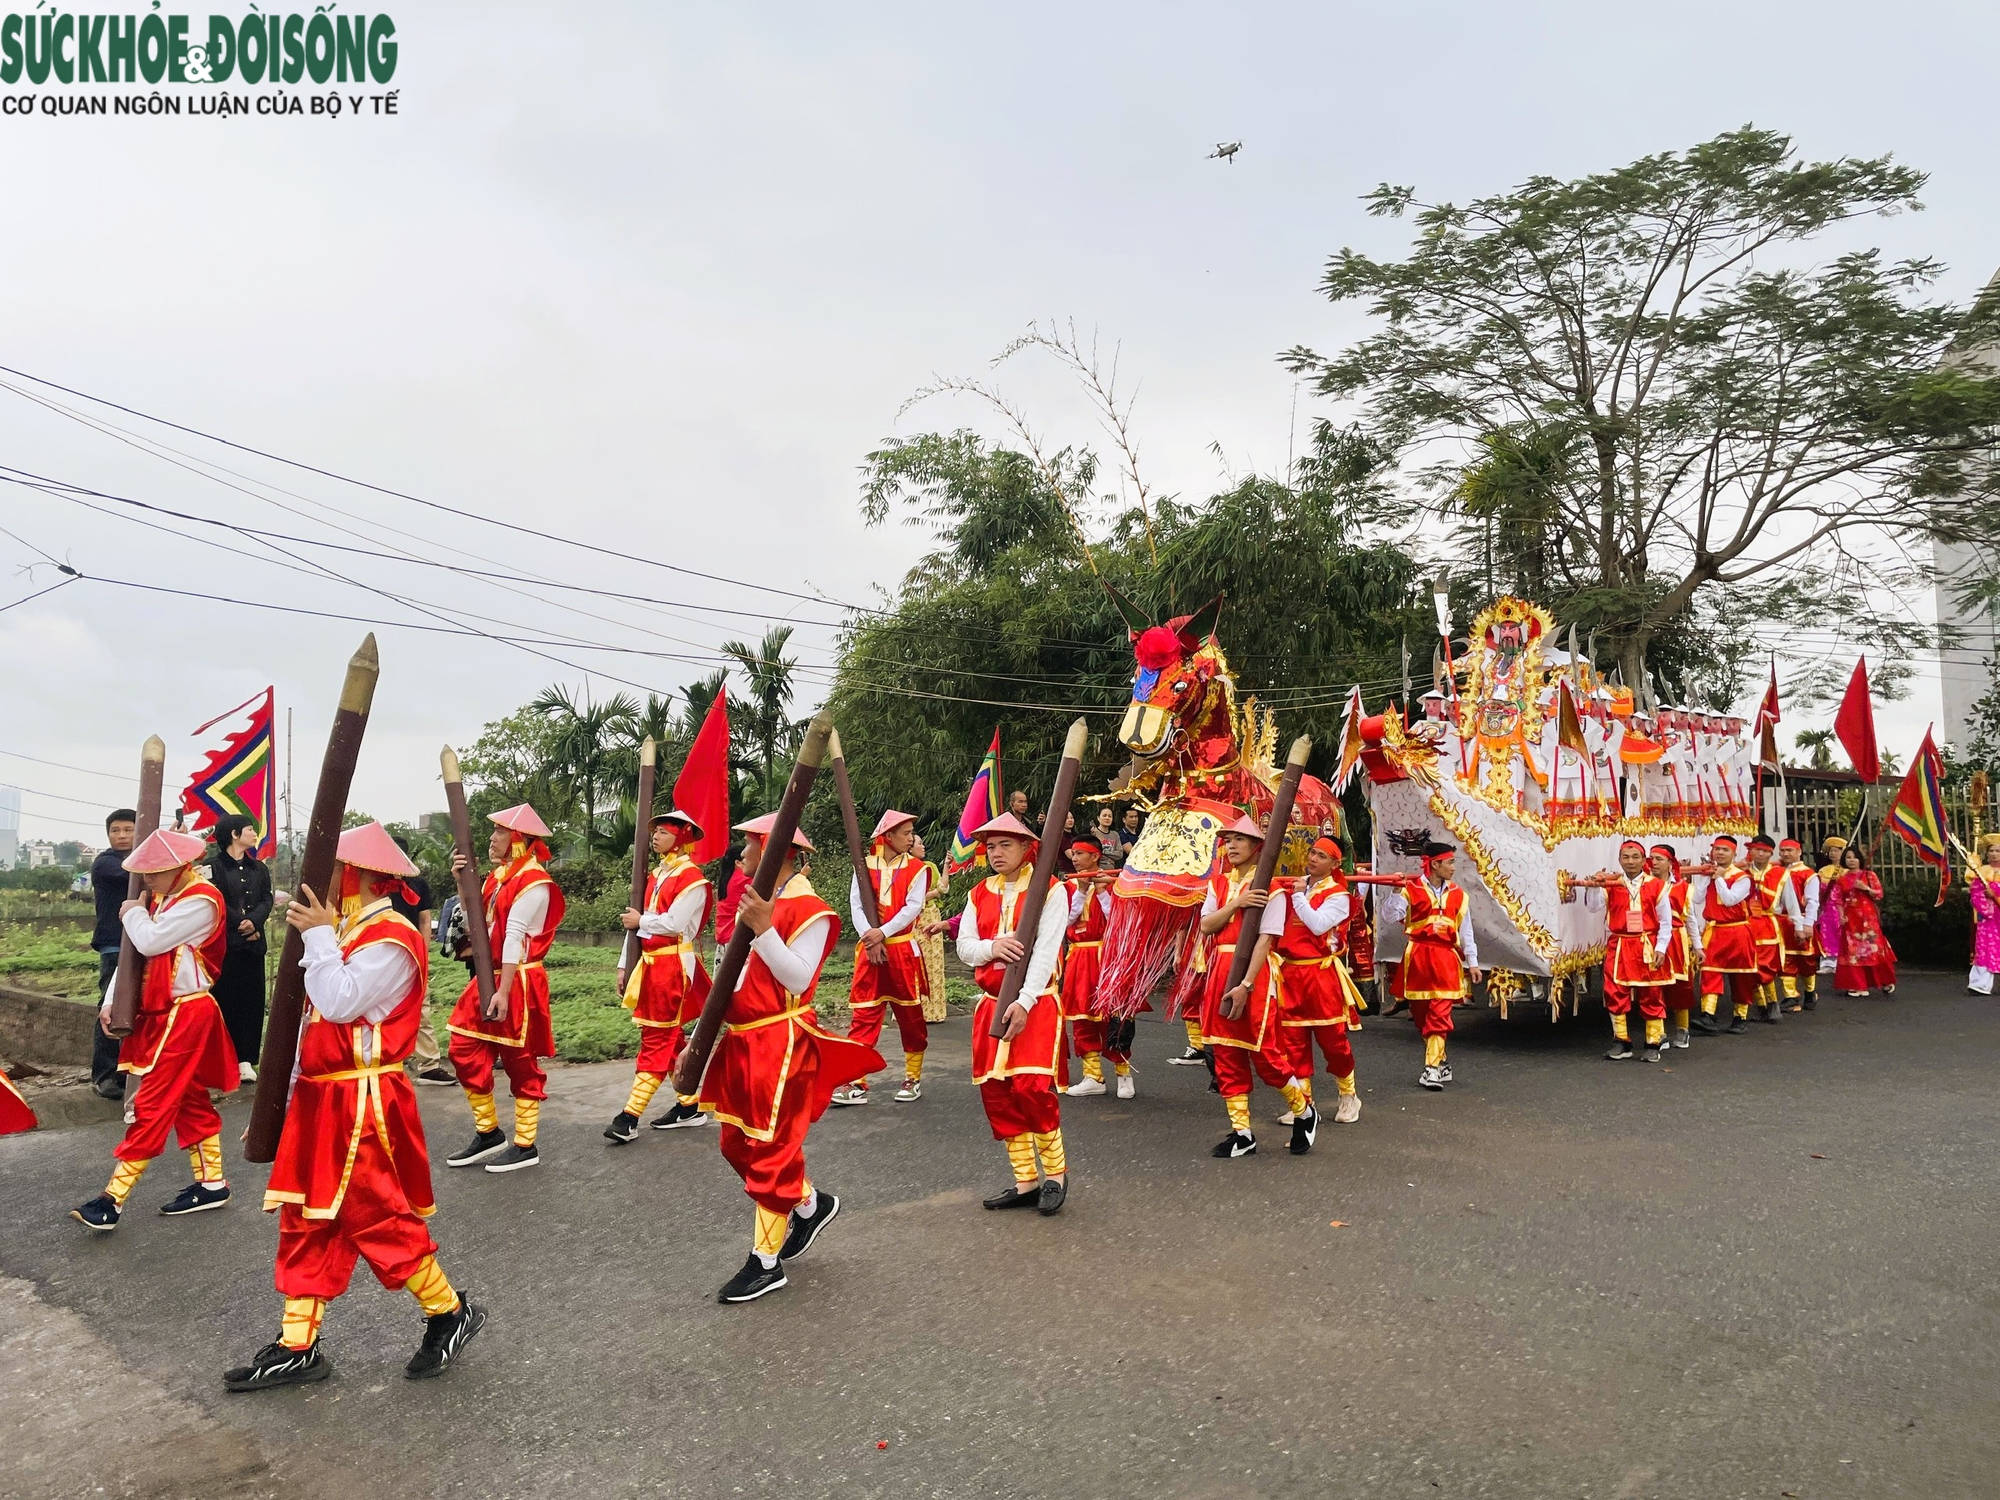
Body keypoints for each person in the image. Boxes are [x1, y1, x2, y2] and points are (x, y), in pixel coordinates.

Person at [224, 822, 484, 1391]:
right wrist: (279, 1103)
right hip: (322, 1096)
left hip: (364, 1096)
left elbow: (339, 1003)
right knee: (306, 1216)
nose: (322, 881)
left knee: (374, 1214)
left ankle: (447, 1312)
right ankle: (297, 1345)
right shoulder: (344, 930)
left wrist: (319, 937)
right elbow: (306, 1028)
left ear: (359, 875)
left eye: (334, 869)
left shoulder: (390, 937)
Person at [697, 813, 879, 1303]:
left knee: (770, 1153)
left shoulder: (811, 910)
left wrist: (763, 930)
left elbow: (798, 980)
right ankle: (810, 1204)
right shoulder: (757, 903)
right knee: (735, 1147)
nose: (741, 856)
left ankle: (765, 1262)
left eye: (749, 847)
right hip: (742, 1041)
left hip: (782, 1043)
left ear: (775, 853)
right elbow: (732, 979)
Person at [71, 829, 238, 1231]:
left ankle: (111, 1200)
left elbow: (147, 941)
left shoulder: (201, 899)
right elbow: (135, 958)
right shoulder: (162, 897)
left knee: (154, 1102)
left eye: (154, 872)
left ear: (179, 867)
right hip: (161, 1012)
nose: (146, 879)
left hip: (185, 1011)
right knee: (190, 1099)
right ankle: (212, 1183)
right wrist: (112, 1001)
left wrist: (132, 911)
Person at [956, 813, 1072, 1212]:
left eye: (1006, 844)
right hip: (989, 1004)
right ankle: (1025, 1182)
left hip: (1036, 1003)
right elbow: (965, 946)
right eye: (990, 846)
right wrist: (993, 947)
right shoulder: (978, 893)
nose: (996, 853)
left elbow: (1047, 950)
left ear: (1027, 848)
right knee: (998, 1093)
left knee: (1031, 1088)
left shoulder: (1051, 890)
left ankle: (1055, 1175)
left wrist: (1024, 1002)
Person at [444, 804, 566, 1174]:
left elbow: (514, 936)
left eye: (499, 832)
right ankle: (489, 1132)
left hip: (518, 978)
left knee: (520, 1061)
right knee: (462, 1046)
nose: (492, 838)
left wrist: (504, 989)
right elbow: (478, 922)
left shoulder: (535, 882)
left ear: (519, 839)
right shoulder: (498, 877)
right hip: (492, 975)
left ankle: (525, 1144)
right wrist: (461, 882)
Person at [1201, 814, 1315, 1155]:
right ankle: (1242, 1133)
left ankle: (1304, 1111)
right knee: (1224, 1052)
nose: (1232, 846)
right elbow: (1207, 925)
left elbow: (1266, 940)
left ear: (1256, 847)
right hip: (1219, 969)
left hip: (1255, 974)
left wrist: (1246, 984)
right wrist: (1236, 903)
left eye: (1239, 840)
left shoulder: (1274, 890)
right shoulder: (1219, 884)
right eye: (1228, 840)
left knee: (1264, 1053)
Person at [605, 810, 713, 1142]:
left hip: (672, 967)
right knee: (669, 1038)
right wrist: (625, 963)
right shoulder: (655, 875)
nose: (655, 836)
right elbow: (634, 924)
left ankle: (629, 1116)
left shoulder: (693, 880)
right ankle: (689, 1105)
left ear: (681, 837)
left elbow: (673, 924)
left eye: (663, 831)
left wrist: (640, 922)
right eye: (655, 831)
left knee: (657, 1039)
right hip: (651, 964)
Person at [832, 810, 931, 1106]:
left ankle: (913, 1078)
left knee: (910, 1017)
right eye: (905, 833)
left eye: (912, 832)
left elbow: (912, 908)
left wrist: (882, 933)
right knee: (864, 1014)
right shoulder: (863, 866)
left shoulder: (918, 869)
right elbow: (856, 904)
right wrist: (869, 937)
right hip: (869, 950)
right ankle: (857, 1081)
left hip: (901, 950)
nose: (911, 837)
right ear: (888, 836)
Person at [1269, 835, 1363, 1124]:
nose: (1313, 858)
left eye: (1322, 856)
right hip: (1290, 974)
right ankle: (1304, 1104)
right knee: (1293, 1043)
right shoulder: (1294, 886)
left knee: (1333, 1042)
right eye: (1312, 852)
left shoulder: (1339, 895)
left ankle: (1349, 1095)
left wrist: (1297, 895)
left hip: (1320, 975)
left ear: (1336, 863)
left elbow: (1318, 924)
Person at [1378, 836, 1482, 1089]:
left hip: (1446, 957)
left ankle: (1431, 1068)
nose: (1453, 867)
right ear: (1435, 865)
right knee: (1422, 1015)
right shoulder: (1410, 889)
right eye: (1449, 862)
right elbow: (1391, 916)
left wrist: (1473, 961)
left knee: (1440, 1013)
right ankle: (1441, 1062)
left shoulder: (1459, 895)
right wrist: (1394, 891)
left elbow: (1466, 931)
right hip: (1418, 958)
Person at [1574, 841, 1671, 1062]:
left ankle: (1653, 1043)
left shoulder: (1657, 886)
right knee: (1614, 991)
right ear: (1619, 860)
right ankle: (1622, 1041)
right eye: (1626, 857)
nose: (1630, 861)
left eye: (1635, 857)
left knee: (1651, 993)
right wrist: (1593, 886)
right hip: (1619, 945)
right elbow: (1593, 906)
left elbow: (1666, 921)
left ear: (1644, 860)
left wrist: (1661, 948)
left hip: (1647, 944)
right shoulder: (1612, 885)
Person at [206, 814, 274, 1084]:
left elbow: (266, 898)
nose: (254, 834)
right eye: (249, 829)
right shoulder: (211, 866)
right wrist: (239, 922)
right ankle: (222, 1059)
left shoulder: (260, 868)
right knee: (225, 1001)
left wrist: (254, 921)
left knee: (252, 1002)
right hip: (225, 945)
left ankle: (246, 1059)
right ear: (234, 834)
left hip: (253, 944)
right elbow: (215, 898)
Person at [1060, 836, 1129, 1098]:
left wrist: (1100, 890)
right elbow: (1065, 921)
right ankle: (1093, 1076)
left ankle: (1123, 1072)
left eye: (1079, 854)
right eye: (1073, 854)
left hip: (1105, 955)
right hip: (1079, 956)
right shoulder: (1068, 888)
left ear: (1095, 857)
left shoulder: (1113, 885)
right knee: (1081, 1016)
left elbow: (1118, 921)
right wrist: (1080, 890)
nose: (1074, 859)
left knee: (1113, 1017)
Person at [384, 836, 453, 1085]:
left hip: (412, 954)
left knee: (421, 1010)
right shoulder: (378, 885)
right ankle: (390, 1064)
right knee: (386, 1011)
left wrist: (423, 954)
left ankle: (429, 1065)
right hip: (384, 955)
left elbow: (425, 920)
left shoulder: (418, 884)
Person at [87, 809, 138, 1100]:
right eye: (115, 830)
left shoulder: (140, 859)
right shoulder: (105, 863)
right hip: (115, 945)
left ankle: (126, 1071)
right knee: (110, 1009)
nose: (121, 836)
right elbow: (136, 873)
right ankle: (103, 1075)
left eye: (128, 830)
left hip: (144, 942)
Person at [1690, 835, 1757, 1035]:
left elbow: (1730, 900)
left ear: (1734, 854)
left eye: (1725, 850)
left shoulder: (1742, 877)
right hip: (1715, 930)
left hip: (1737, 931)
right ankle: (1708, 1015)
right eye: (1717, 849)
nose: (1720, 853)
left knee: (1741, 976)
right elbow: (1697, 898)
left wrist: (1719, 878)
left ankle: (1740, 1016)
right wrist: (1704, 878)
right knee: (1709, 971)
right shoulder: (1710, 873)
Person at [1831, 846, 1897, 996]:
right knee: (1853, 952)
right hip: (1851, 919)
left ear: (1860, 859)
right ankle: (1858, 985)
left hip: (1868, 920)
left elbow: (1879, 894)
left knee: (1873, 949)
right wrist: (1841, 916)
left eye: (1854, 857)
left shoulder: (1869, 875)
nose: (1851, 860)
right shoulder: (1841, 879)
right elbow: (1838, 900)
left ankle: (1885, 981)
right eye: (1848, 857)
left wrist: (1865, 888)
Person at [1649, 844, 1697, 1049]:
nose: (1654, 863)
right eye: (1651, 858)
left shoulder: (1683, 888)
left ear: (1671, 863)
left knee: (1680, 985)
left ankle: (1682, 1029)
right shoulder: (1644, 885)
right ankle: (1658, 1032)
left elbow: (1691, 919)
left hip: (1677, 940)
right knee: (1654, 986)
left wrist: (1698, 945)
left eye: (1659, 859)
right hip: (1651, 939)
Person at [1744, 833, 1787, 1024]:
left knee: (1765, 967)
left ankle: (1773, 1003)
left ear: (1770, 854)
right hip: (1744, 925)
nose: (1760, 854)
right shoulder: (1742, 872)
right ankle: (1761, 1006)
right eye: (1757, 850)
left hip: (1766, 925)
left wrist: (1802, 924)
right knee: (1748, 968)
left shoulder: (1779, 874)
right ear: (1750, 851)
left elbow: (1790, 901)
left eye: (1765, 851)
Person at [1775, 838, 1822, 1012]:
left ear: (1799, 851)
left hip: (1801, 919)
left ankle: (1810, 991)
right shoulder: (1777, 871)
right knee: (1785, 959)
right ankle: (1790, 996)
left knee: (1806, 959)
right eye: (1783, 851)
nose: (1786, 854)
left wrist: (1808, 923)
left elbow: (1812, 901)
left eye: (1790, 850)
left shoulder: (1808, 874)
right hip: (1782, 920)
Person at [1968, 835, 2000, 995]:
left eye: (1998, 851)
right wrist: (1986, 898)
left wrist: (1996, 894)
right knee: (1985, 949)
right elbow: (1975, 892)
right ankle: (1979, 984)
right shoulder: (1981, 872)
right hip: (1989, 919)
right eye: (1991, 851)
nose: (1994, 854)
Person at [713, 843, 752, 946]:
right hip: (733, 938)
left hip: (722, 936)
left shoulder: (727, 879)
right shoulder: (743, 878)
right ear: (738, 862)